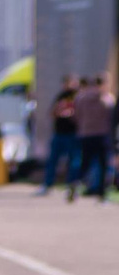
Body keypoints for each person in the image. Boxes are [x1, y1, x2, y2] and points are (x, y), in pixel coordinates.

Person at [70, 74, 114, 202]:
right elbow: (111, 118)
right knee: (103, 165)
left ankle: (76, 183)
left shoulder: (81, 97)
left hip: (85, 134)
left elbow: (76, 116)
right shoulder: (107, 99)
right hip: (102, 134)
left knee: (85, 163)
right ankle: (102, 193)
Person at [38, 77, 79, 194]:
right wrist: (58, 111)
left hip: (72, 134)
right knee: (52, 160)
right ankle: (47, 184)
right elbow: (52, 113)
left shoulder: (78, 97)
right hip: (59, 133)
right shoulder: (60, 96)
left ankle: (71, 185)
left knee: (73, 161)